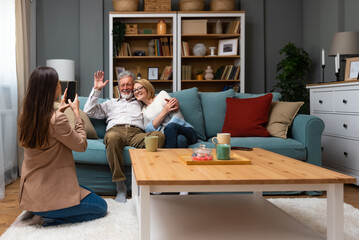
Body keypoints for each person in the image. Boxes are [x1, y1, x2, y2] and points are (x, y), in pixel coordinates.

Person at [15, 66, 107, 227]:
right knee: (101, 207)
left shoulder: (26, 116)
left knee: (87, 192)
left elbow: (49, 134)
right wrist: (77, 114)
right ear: (51, 89)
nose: (60, 86)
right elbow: (81, 145)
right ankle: (47, 219)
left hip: (32, 193)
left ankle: (39, 211)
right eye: (58, 84)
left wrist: (61, 111)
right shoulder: (56, 119)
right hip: (47, 197)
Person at [83, 70, 165, 203]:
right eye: (122, 85)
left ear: (134, 86)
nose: (125, 88)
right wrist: (96, 90)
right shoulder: (111, 103)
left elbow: (156, 104)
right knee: (112, 138)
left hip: (137, 134)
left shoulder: (140, 101)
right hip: (116, 131)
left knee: (158, 136)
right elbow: (88, 110)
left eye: (128, 85)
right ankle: (120, 186)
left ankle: (148, 181)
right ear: (118, 87)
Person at [133, 79, 198, 148]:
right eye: (134, 90)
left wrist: (165, 130)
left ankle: (167, 156)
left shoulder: (162, 96)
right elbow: (148, 130)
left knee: (170, 127)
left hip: (187, 132)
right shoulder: (143, 110)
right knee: (180, 140)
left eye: (139, 88)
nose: (137, 91)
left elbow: (178, 116)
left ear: (147, 88)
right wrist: (165, 111)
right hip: (172, 138)